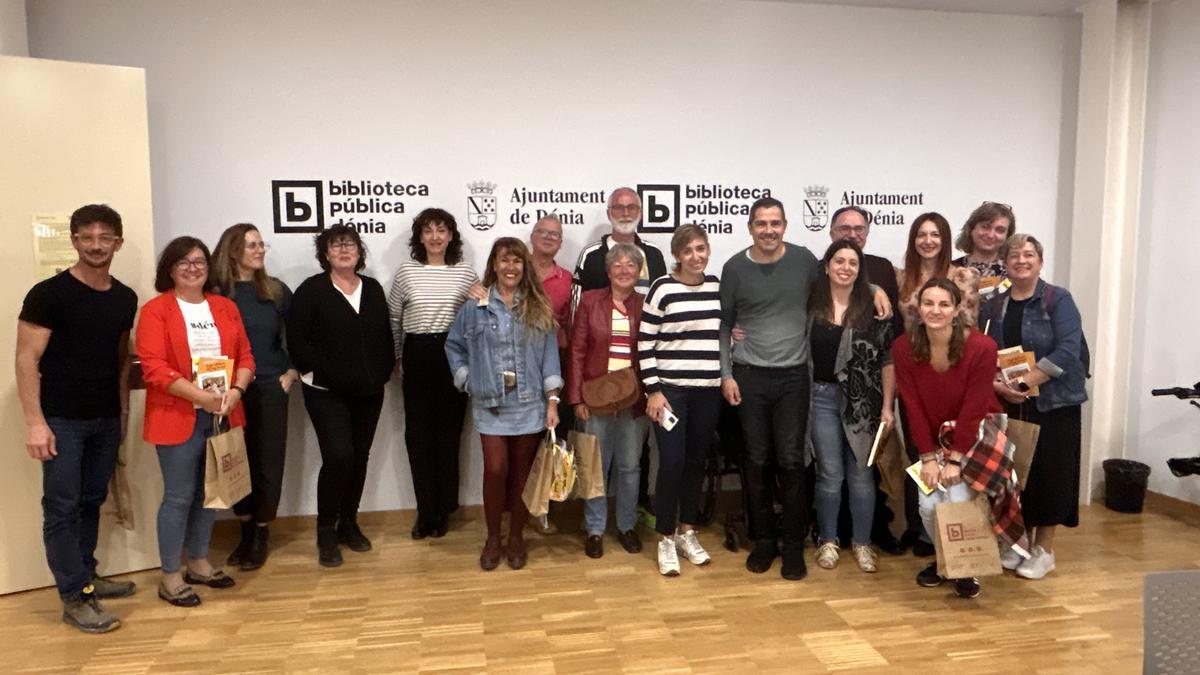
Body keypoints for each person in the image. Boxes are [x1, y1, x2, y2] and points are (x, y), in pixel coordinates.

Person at [720, 198, 892, 581]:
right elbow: (725, 324)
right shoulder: (733, 268)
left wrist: (876, 287)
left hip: (795, 377)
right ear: (750, 227)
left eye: (775, 222)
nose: (769, 229)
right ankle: (765, 541)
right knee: (757, 461)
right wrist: (726, 373)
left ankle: (794, 546)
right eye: (761, 223)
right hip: (749, 375)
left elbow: (844, 272)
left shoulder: (803, 261)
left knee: (793, 462)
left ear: (785, 226)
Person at [16, 204, 138, 632]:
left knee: (91, 503)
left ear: (117, 243)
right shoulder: (47, 294)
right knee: (62, 509)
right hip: (61, 420)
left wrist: (121, 414)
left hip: (105, 419)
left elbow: (122, 362)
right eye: (86, 237)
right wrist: (35, 421)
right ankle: (74, 596)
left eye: (105, 238)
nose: (96, 245)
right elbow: (26, 359)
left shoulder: (125, 298)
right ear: (74, 241)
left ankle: (85, 576)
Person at [136, 236, 255, 607]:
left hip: (223, 415)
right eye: (184, 262)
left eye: (200, 261)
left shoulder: (224, 307)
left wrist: (235, 391)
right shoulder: (157, 311)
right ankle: (171, 575)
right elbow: (153, 368)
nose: (193, 268)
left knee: (211, 494)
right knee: (178, 496)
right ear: (169, 269)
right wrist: (201, 397)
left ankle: (199, 562)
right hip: (177, 416)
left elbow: (247, 357)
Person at [445, 238, 562, 571]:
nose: (511, 267)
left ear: (524, 267)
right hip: (491, 404)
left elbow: (550, 358)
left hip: (529, 404)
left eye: (517, 261)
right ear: (494, 265)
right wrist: (468, 380)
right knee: (496, 470)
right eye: (504, 261)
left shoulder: (538, 306)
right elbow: (454, 347)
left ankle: (516, 537)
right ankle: (493, 536)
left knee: (522, 475)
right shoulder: (475, 306)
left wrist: (552, 401)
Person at [980, 233, 1088, 580]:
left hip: (1054, 404)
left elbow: (1068, 350)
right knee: (1017, 475)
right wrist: (1001, 386)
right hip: (1011, 401)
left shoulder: (1058, 299)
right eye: (1014, 256)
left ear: (1040, 261)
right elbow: (985, 352)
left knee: (1050, 475)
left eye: (1029, 255)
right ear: (1006, 263)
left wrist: (1027, 383)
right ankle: (1019, 542)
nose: (1022, 261)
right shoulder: (995, 304)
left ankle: (1045, 550)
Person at [287, 224, 394, 567]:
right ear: (326, 253)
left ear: (359, 252)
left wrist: (382, 372)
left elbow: (384, 337)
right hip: (325, 391)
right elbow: (298, 341)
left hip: (368, 391)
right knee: (338, 457)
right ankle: (325, 531)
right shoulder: (311, 290)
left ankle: (349, 522)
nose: (344, 250)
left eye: (350, 244)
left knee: (359, 456)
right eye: (336, 245)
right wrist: (329, 373)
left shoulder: (374, 289)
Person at [891, 278, 1000, 599]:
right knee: (928, 506)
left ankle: (965, 569)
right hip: (932, 440)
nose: (935, 310)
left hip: (974, 436)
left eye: (943, 304)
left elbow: (975, 406)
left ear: (956, 310)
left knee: (956, 502)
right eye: (928, 304)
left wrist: (955, 460)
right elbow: (911, 406)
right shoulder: (903, 348)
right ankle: (946, 560)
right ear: (918, 309)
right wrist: (927, 457)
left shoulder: (982, 347)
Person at [210, 223, 297, 571]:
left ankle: (261, 532)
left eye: (262, 244)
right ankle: (243, 526)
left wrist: (290, 372)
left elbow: (298, 336)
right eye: (251, 245)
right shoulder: (214, 294)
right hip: (225, 391)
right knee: (232, 459)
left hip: (267, 386)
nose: (260, 250)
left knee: (267, 460)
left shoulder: (275, 291)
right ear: (232, 251)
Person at [387, 208, 478, 540]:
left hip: (453, 356)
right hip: (418, 354)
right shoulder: (407, 272)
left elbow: (479, 315)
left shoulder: (466, 273)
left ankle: (444, 510)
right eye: (429, 231)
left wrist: (478, 299)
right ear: (420, 237)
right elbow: (394, 318)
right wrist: (398, 356)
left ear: (451, 236)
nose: (436, 237)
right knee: (418, 436)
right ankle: (424, 511)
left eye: (442, 230)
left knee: (449, 435)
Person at [808, 240, 895, 574]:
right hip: (820, 398)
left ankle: (861, 542)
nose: (845, 267)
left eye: (852, 263)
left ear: (860, 270)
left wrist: (888, 406)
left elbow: (887, 359)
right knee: (830, 474)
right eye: (838, 261)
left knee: (861, 476)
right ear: (827, 266)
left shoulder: (874, 306)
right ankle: (828, 540)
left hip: (864, 403)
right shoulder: (811, 304)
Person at [640, 224, 721, 576]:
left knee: (695, 461)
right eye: (688, 250)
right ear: (677, 254)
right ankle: (665, 538)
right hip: (670, 392)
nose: (695, 256)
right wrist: (653, 390)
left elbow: (726, 329)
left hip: (708, 390)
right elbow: (644, 342)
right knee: (671, 463)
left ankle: (688, 530)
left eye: (701, 249)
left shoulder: (718, 288)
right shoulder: (662, 288)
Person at [568, 243, 649, 558]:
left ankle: (627, 526)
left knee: (630, 467)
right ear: (608, 269)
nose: (624, 270)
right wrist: (576, 398)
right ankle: (595, 530)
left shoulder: (646, 304)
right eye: (618, 265)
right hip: (596, 398)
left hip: (634, 399)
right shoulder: (589, 301)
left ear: (639, 271)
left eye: (631, 265)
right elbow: (576, 352)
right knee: (595, 468)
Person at [529, 214, 573, 536]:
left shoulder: (568, 280)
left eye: (554, 234)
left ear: (560, 242)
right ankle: (516, 507)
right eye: (543, 232)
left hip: (554, 364)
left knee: (551, 439)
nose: (548, 237)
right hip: (516, 365)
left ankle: (543, 508)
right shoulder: (513, 268)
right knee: (519, 441)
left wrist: (557, 332)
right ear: (532, 236)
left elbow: (574, 327)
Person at [572, 187, 668, 312]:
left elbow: (661, 301)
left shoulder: (654, 254)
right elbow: (577, 305)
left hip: (645, 330)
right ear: (608, 214)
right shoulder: (590, 255)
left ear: (640, 213)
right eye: (618, 207)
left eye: (632, 207)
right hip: (602, 330)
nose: (626, 213)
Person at [897, 212, 982, 334]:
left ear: (945, 240)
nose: (928, 241)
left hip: (952, 350)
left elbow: (967, 327)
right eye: (921, 235)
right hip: (908, 349)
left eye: (935, 235)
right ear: (913, 240)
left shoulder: (963, 278)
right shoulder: (900, 278)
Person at [952, 201, 1016, 279]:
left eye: (1000, 230)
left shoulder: (1014, 271)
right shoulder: (952, 270)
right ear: (971, 229)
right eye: (985, 227)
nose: (991, 235)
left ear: (1007, 236)